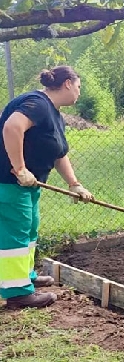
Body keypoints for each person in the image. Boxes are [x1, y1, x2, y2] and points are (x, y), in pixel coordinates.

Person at [0, 66, 94, 310]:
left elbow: (58, 154)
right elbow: (12, 127)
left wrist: (75, 185)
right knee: (16, 234)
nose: (79, 93)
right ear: (67, 84)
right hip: (9, 183)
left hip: (28, 186)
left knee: (29, 229)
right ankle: (18, 294)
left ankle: (25, 276)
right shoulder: (38, 103)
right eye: (79, 87)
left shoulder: (55, 115)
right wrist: (20, 168)